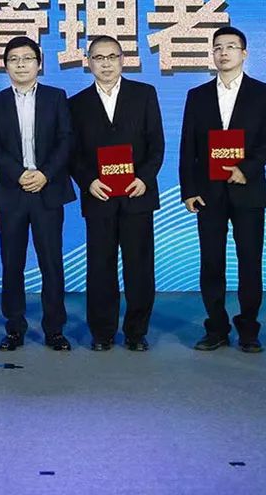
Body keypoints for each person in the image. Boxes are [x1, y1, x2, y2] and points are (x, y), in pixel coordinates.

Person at [180, 26, 266, 353]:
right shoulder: (197, 96)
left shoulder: (262, 92)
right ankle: (216, 328)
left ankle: (249, 329)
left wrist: (246, 169)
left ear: (244, 53)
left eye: (231, 47)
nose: (223, 53)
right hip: (208, 193)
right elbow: (188, 146)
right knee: (211, 263)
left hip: (247, 190)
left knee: (250, 262)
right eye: (218, 47)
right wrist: (188, 190)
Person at [68, 36, 164, 351]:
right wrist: (88, 181)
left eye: (112, 57)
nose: (106, 63)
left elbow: (156, 144)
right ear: (88, 62)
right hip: (100, 197)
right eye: (99, 57)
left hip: (137, 195)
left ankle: (136, 332)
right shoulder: (76, 103)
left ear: (123, 60)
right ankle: (102, 332)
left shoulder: (144, 94)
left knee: (139, 267)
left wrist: (145, 178)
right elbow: (72, 153)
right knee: (100, 267)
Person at [0, 36, 76, 352]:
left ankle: (54, 330)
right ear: (5, 66)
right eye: (14, 59)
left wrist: (45, 174)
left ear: (39, 64)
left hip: (48, 191)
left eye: (27, 58)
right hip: (12, 192)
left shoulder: (56, 97)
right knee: (12, 264)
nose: (20, 64)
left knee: (51, 263)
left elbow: (66, 139)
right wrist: (19, 174)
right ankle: (14, 328)